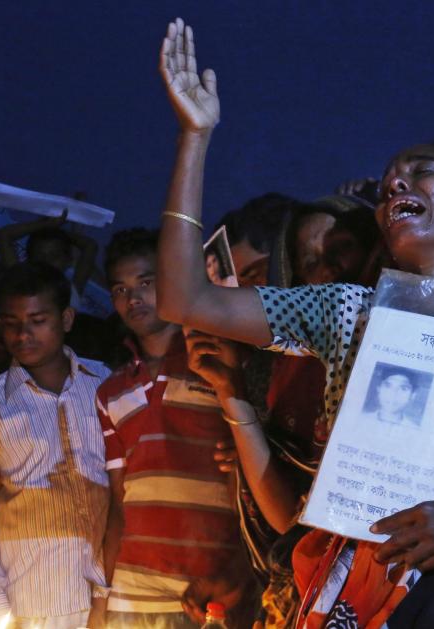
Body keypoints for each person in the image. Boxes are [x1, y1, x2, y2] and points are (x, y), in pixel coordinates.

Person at [155, 18, 434, 627]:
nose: (397, 180)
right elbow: (186, 299)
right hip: (356, 599)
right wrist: (195, 137)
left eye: (423, 170)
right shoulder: (351, 313)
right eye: (391, 178)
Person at [92, 228, 250, 629]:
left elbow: (247, 469)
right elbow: (117, 500)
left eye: (146, 282)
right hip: (130, 595)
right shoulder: (110, 392)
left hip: (207, 591)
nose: (134, 298)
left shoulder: (219, 363)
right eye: (120, 289)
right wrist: (103, 596)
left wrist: (239, 567)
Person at [0, 262, 112, 629]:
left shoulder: (107, 385)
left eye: (38, 320)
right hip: (31, 603)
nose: (22, 334)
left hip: (111, 596)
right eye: (11, 323)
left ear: (67, 319)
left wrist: (110, 592)